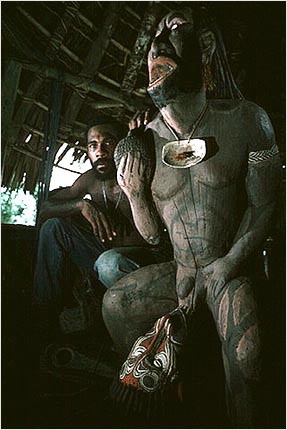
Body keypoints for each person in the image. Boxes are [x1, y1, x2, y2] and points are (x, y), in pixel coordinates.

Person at [102, 7, 281, 428]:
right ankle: (167, 394)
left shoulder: (248, 121)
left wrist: (231, 262)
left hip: (227, 270)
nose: (158, 45)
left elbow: (265, 206)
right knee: (116, 305)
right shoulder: (141, 142)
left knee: (248, 356)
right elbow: (150, 239)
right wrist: (135, 197)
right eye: (153, 43)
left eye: (175, 31)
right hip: (181, 273)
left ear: (203, 50)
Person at [32, 114, 171, 322]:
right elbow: (45, 208)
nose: (100, 151)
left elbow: (156, 237)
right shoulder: (90, 180)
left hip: (145, 260)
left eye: (108, 142)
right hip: (102, 257)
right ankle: (44, 316)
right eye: (93, 145)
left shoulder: (144, 172)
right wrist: (81, 205)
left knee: (110, 263)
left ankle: (146, 320)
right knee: (53, 228)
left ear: (121, 142)